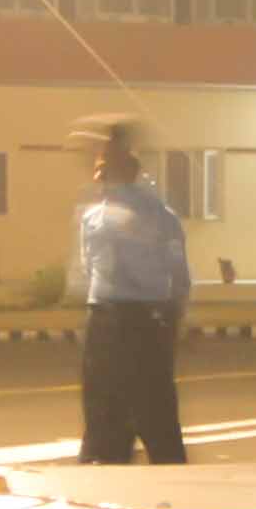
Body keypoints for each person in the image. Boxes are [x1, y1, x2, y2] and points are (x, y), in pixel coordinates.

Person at [71, 122, 194, 463]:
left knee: (103, 424)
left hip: (106, 323)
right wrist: (174, 323)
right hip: (150, 324)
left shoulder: (95, 218)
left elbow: (87, 270)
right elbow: (179, 278)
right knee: (160, 425)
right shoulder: (162, 215)